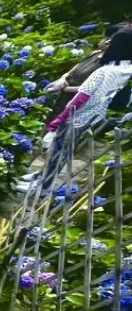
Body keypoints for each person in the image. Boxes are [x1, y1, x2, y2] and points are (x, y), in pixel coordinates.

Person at [25, 28, 132, 195]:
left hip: (77, 117)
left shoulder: (103, 71)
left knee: (58, 151)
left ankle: (43, 187)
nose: (108, 42)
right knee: (63, 150)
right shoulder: (126, 69)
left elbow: (80, 98)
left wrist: (57, 122)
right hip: (92, 116)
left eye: (113, 41)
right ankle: (41, 177)